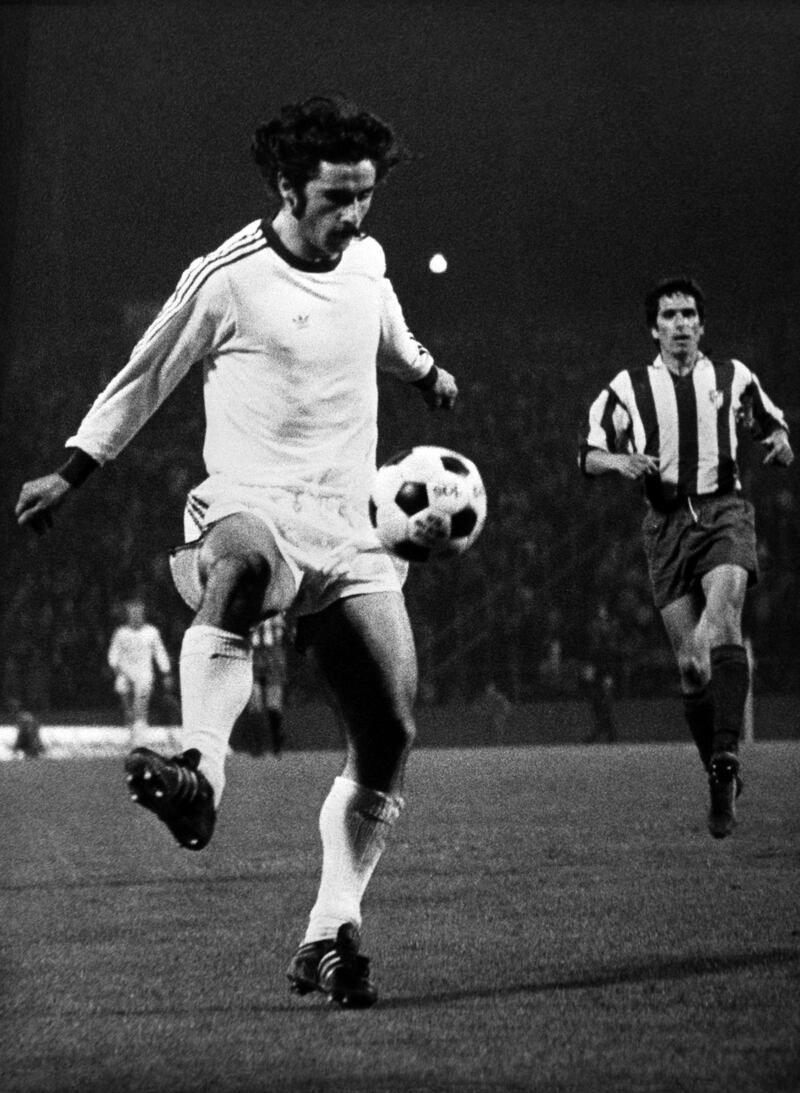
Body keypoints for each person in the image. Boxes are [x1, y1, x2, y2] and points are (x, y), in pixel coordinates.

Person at [15, 95, 457, 1008]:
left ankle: (331, 931)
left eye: (367, 197)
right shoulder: (229, 276)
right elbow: (144, 374)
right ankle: (201, 773)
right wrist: (71, 471)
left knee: (392, 730)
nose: (356, 216)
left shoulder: (367, 262)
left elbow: (390, 334)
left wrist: (428, 373)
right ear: (288, 186)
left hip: (351, 525)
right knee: (244, 561)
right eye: (338, 198)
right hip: (248, 502)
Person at [579, 276, 793, 837]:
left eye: (689, 315)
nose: (680, 324)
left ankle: (727, 759)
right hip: (666, 525)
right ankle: (716, 771)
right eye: (669, 316)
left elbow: (774, 425)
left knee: (720, 625)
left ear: (702, 324)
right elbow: (588, 452)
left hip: (724, 511)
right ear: (654, 328)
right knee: (691, 666)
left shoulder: (733, 376)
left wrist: (780, 443)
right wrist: (618, 464)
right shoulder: (627, 387)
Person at [107, 598, 173, 747]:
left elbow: (160, 653)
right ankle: (130, 723)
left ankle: (139, 732)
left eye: (138, 612)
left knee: (140, 701)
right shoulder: (121, 633)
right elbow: (113, 655)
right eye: (132, 613)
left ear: (143, 613)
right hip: (125, 673)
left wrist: (166, 673)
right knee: (123, 690)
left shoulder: (151, 632)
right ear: (128, 614)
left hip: (144, 673)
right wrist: (117, 670)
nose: (136, 616)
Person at [230, 613, 290, 757]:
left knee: (273, 703)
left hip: (273, 653)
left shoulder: (277, 598)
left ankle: (276, 743)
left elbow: (284, 623)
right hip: (251, 653)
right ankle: (257, 746)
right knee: (254, 702)